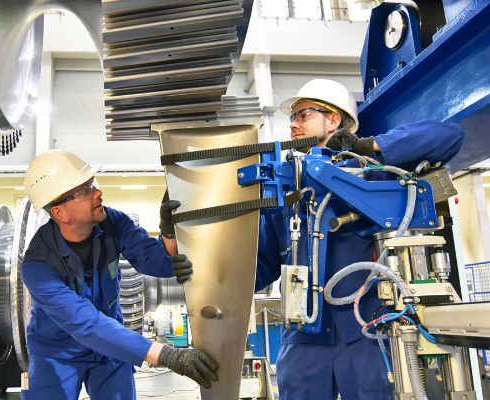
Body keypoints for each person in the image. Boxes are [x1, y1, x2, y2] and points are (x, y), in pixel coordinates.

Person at [159, 79, 464, 400]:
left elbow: (449, 136)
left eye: (303, 114)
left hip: (365, 332)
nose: (292, 123)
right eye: (293, 117)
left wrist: (369, 147)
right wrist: (200, 269)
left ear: (333, 119)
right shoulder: (284, 190)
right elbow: (257, 269)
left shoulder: (372, 173)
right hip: (302, 336)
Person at [20, 149, 219, 400]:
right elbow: (86, 324)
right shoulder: (38, 266)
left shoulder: (112, 222)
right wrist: (166, 355)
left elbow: (153, 260)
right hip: (58, 351)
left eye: (93, 183)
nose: (97, 192)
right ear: (59, 212)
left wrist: (169, 232)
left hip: (110, 346)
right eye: (84, 191)